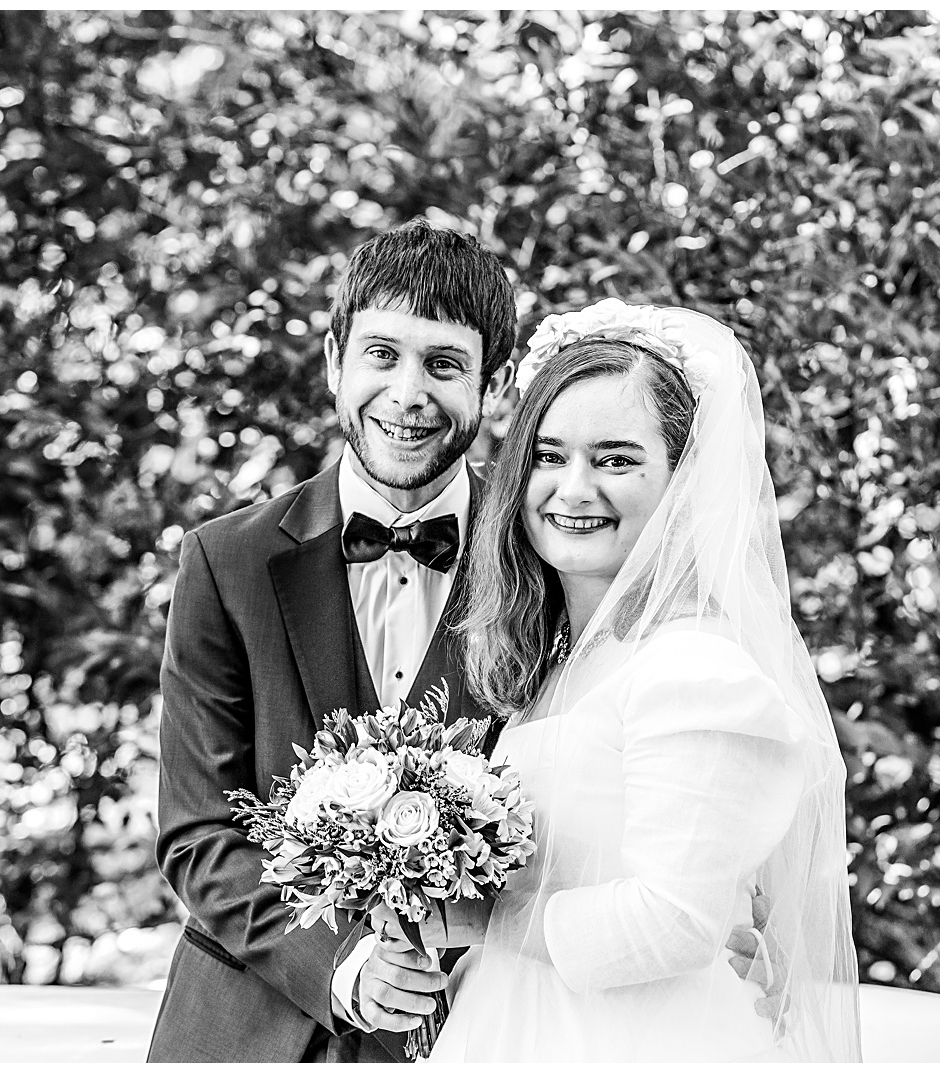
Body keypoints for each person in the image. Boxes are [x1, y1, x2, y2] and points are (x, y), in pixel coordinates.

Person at [386, 300, 863, 1060]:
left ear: (682, 481)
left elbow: (676, 921)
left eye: (616, 459)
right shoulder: (561, 663)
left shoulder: (697, 669)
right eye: (549, 454)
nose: (573, 489)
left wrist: (487, 918)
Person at [146, 221, 517, 1062]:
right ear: (334, 361)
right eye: (382, 354)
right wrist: (344, 964)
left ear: (491, 386)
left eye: (445, 364)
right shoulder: (225, 560)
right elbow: (197, 832)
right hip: (249, 1029)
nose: (408, 392)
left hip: (485, 1029)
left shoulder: (540, 554)